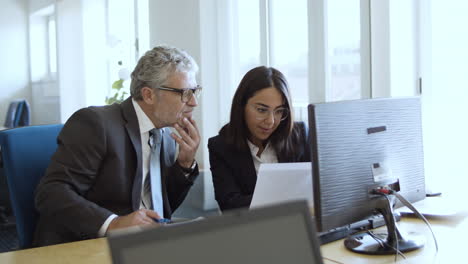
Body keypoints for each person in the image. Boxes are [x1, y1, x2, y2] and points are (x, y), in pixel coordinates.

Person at [33, 45, 201, 246]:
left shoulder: (165, 134)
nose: (193, 102)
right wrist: (114, 223)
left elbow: (163, 208)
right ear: (148, 95)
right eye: (184, 93)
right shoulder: (96, 124)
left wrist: (184, 164)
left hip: (144, 244)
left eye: (195, 91)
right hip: (88, 244)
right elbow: (51, 193)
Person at [208, 66, 310, 212]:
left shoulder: (300, 135)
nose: (271, 121)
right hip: (251, 230)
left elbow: (317, 189)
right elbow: (230, 206)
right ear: (241, 105)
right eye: (262, 110)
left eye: (279, 111)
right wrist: (288, 199)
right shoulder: (221, 146)